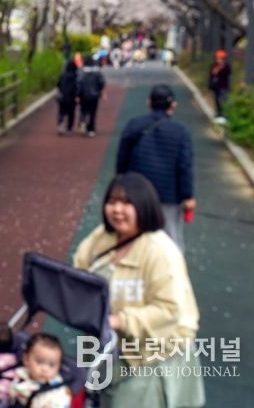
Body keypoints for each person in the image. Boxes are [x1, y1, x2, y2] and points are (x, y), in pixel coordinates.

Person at [73, 173, 204, 408]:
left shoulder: (160, 251)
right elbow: (79, 271)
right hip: (110, 349)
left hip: (152, 357)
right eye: (112, 201)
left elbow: (169, 309)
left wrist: (119, 321)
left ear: (144, 206)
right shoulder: (102, 238)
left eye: (126, 203)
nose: (117, 210)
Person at [115, 85, 194, 252]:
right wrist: (187, 196)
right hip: (168, 195)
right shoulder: (180, 132)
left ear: (149, 103)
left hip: (137, 193)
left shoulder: (133, 125)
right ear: (173, 106)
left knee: (135, 234)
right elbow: (184, 166)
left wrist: (120, 186)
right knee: (170, 239)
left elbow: (122, 160)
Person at [9, 333, 71, 408]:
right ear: (26, 359)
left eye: (51, 365)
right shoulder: (20, 374)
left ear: (59, 367)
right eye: (39, 362)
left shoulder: (58, 392)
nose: (45, 369)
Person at [77, 57, 106, 137]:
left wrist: (78, 95)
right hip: (94, 96)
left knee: (83, 110)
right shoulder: (97, 73)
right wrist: (99, 90)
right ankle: (91, 129)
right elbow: (102, 83)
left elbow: (78, 84)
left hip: (83, 96)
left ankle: (83, 122)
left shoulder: (81, 72)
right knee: (93, 113)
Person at [208, 49, 231, 124]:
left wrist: (222, 67)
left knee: (224, 100)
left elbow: (228, 72)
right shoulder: (214, 66)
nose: (219, 60)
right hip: (216, 87)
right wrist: (215, 71)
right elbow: (211, 75)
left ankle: (225, 116)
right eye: (218, 58)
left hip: (224, 86)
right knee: (217, 100)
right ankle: (218, 114)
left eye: (221, 58)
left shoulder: (226, 66)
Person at [56, 61, 79, 135]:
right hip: (72, 97)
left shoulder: (63, 75)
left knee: (61, 112)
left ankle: (60, 125)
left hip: (63, 96)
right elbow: (77, 87)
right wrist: (77, 96)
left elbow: (58, 84)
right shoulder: (75, 76)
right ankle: (69, 128)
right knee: (71, 113)